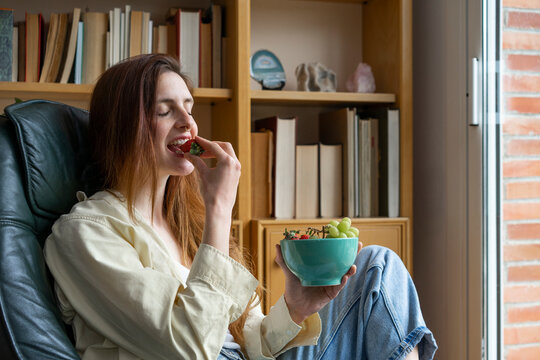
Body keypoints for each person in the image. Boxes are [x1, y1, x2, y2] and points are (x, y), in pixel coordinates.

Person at [44, 54, 437, 360]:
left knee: (377, 267)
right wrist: (220, 210)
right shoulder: (84, 234)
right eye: (165, 111)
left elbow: (250, 340)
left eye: (189, 107)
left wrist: (296, 309)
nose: (188, 123)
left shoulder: (190, 225)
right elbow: (188, 348)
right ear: (122, 127)